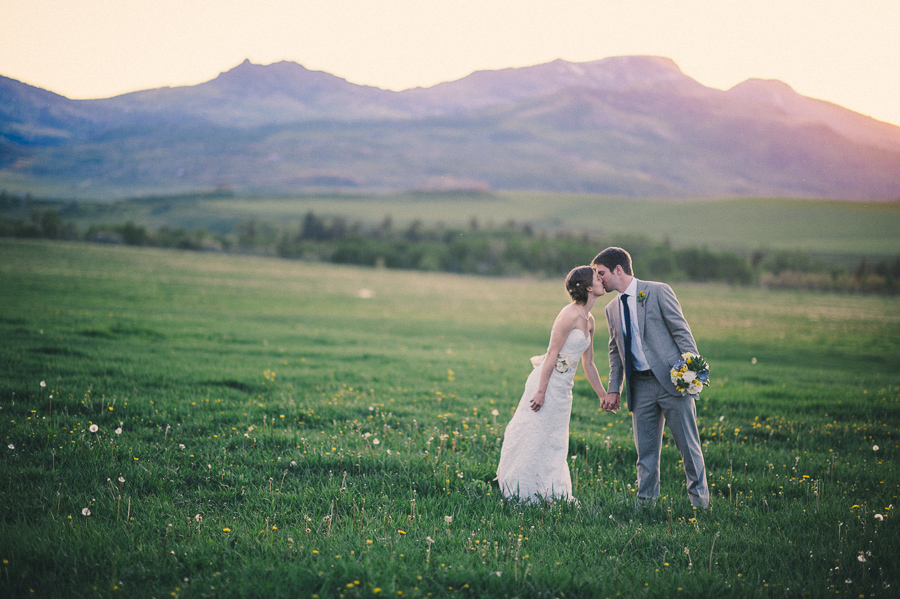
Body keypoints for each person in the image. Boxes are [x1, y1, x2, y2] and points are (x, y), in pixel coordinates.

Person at [593, 247, 709, 509]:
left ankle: (700, 504)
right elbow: (615, 352)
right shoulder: (611, 309)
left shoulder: (656, 291)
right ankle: (646, 506)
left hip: (672, 382)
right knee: (645, 453)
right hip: (640, 386)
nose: (599, 279)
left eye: (601, 273)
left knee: (688, 448)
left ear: (618, 270)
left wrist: (691, 371)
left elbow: (681, 332)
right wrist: (614, 389)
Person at [496, 266, 608, 503]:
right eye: (597, 277)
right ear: (589, 287)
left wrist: (602, 395)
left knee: (554, 439)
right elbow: (551, 354)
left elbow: (589, 363)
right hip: (546, 385)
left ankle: (549, 489)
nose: (602, 280)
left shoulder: (590, 321)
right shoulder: (568, 314)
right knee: (534, 435)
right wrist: (540, 392)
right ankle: (521, 489)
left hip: (563, 390)